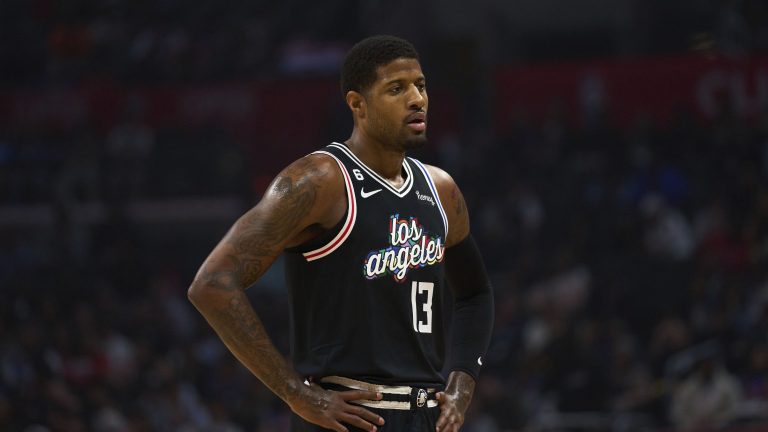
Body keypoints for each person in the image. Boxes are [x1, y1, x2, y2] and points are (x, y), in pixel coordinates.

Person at [188, 35, 494, 432]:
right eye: (396, 89)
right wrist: (295, 393)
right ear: (357, 104)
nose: (417, 99)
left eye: (420, 85)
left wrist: (463, 382)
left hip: (425, 415)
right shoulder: (320, 180)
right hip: (346, 414)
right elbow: (212, 284)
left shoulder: (441, 190)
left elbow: (476, 294)